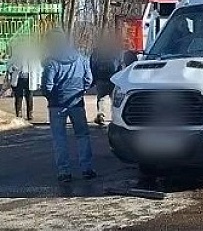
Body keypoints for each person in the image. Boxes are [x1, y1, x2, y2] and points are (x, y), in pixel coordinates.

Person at [41, 28, 95, 182]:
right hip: (77, 103)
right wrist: (80, 92)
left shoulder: (51, 62)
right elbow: (88, 79)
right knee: (82, 135)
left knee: (59, 138)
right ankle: (87, 168)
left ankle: (64, 172)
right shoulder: (81, 58)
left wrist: (51, 96)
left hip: (57, 104)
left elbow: (47, 86)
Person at [7, 40, 42, 120]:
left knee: (29, 97)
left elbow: (39, 69)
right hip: (19, 79)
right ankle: (18, 114)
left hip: (29, 79)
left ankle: (30, 114)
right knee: (18, 97)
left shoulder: (34, 56)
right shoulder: (16, 56)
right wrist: (12, 68)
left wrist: (38, 82)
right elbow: (8, 66)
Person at [90, 36, 122, 125]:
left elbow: (93, 66)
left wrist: (93, 80)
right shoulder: (116, 52)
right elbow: (121, 65)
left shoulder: (96, 53)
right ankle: (115, 117)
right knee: (114, 99)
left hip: (101, 79)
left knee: (101, 98)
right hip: (113, 79)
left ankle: (101, 115)